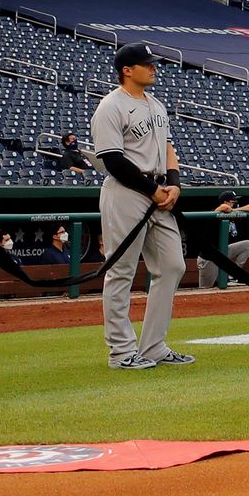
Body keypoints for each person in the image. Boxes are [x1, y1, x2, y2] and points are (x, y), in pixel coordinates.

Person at [92, 42, 190, 371]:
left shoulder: (156, 105)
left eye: (153, 63)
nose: (153, 68)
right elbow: (112, 160)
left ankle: (154, 345)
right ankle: (121, 352)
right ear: (127, 70)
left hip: (159, 190)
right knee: (121, 272)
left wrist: (173, 184)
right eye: (146, 64)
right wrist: (153, 190)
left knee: (173, 265)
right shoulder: (111, 106)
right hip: (127, 191)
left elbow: (167, 147)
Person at [197, 192, 249, 289]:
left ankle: (233, 276)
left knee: (247, 244)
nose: (235, 202)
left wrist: (234, 210)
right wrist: (228, 209)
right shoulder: (216, 212)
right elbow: (223, 208)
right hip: (209, 258)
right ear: (225, 202)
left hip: (223, 251)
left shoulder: (232, 212)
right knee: (205, 289)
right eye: (233, 201)